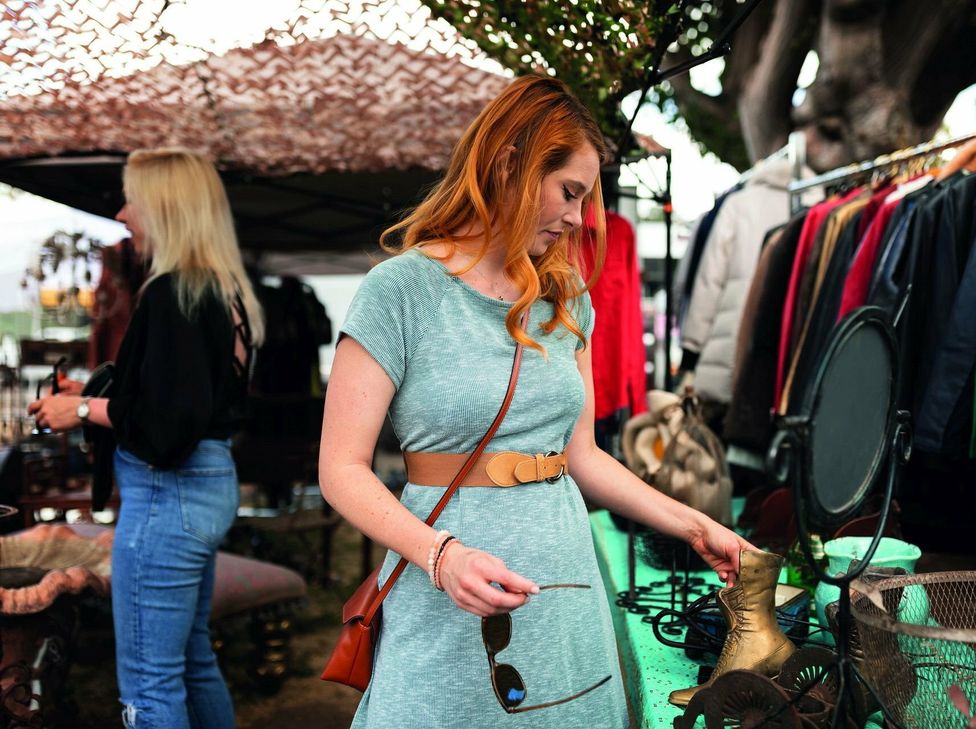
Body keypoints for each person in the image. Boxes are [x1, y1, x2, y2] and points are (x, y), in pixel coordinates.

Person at [319, 75, 757, 728]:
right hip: (444, 590)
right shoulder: (400, 290)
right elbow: (340, 468)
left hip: (565, 586)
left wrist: (692, 524)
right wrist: (440, 555)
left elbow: (582, 456)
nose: (580, 218)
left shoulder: (566, 296)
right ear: (511, 165)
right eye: (570, 192)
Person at [29, 147, 264, 729]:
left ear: (163, 206)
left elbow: (166, 425)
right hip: (206, 486)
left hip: (168, 493)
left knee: (148, 682)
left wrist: (78, 406)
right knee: (192, 661)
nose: (123, 214)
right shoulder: (225, 291)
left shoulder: (173, 293)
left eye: (132, 198)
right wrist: (94, 394)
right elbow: (184, 399)